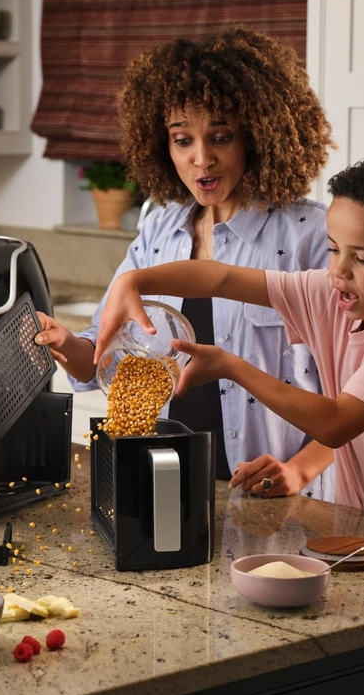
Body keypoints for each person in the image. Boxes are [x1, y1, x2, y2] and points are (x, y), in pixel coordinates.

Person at [94, 152, 364, 541]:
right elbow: (220, 278)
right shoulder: (331, 293)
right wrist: (135, 281)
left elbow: (335, 424)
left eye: (362, 259)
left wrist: (231, 366)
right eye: (333, 249)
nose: (338, 271)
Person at [35, 28, 336, 500]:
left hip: (280, 494)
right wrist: (63, 342)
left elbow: (361, 400)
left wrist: (299, 470)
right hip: (168, 484)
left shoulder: (311, 236)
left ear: (259, 136)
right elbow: (99, 359)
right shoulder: (160, 229)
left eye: (222, 137)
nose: (201, 159)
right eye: (182, 139)